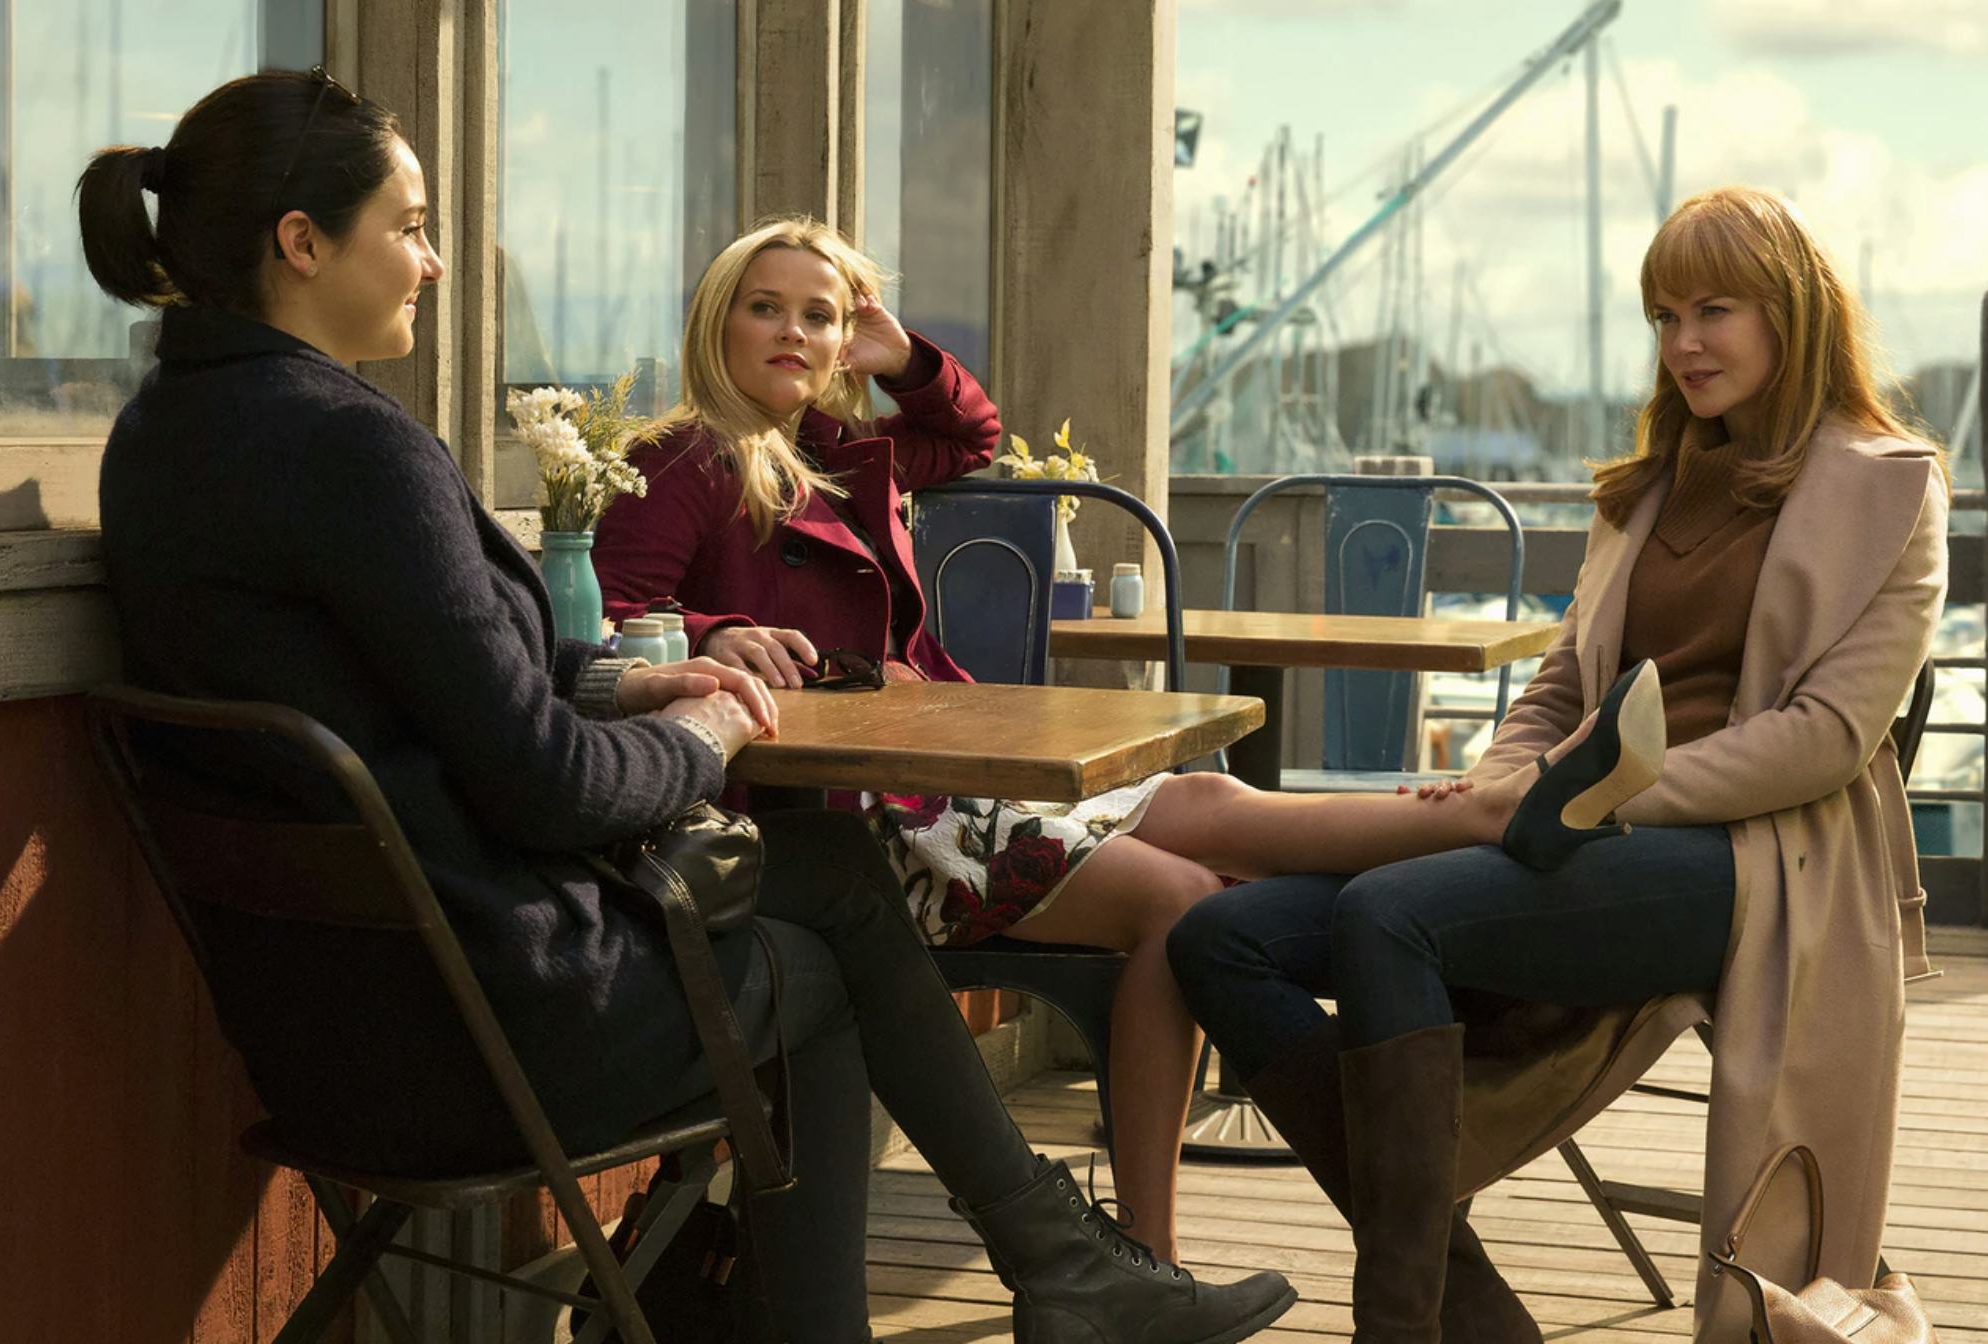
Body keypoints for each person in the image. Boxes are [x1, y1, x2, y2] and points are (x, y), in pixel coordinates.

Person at [77, 70, 1297, 1344]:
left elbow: (414, 671)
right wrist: (700, 733)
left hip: (326, 1026)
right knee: (827, 961)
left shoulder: (164, 436)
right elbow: (548, 786)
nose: (432, 262)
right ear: (302, 242)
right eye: (412, 226)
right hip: (492, 1029)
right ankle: (1012, 1279)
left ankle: (1055, 1263)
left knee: (833, 870)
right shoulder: (351, 447)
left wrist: (626, 678)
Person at [592, 215, 1665, 1263]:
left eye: (821, 315)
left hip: (930, 781)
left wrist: (905, 356)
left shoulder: (831, 449)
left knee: (1209, 805)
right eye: (765, 307)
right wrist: (712, 630)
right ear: (716, 322)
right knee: (1184, 900)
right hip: (844, 827)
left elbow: (967, 436)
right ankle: (1146, 1254)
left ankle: (1487, 812)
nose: (794, 330)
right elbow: (604, 627)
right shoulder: (678, 458)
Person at [1165, 185, 1948, 1343]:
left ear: (1788, 312)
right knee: (1218, 936)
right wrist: (1508, 779)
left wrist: (1590, 801)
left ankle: (1401, 1325)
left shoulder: (1886, 484)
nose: (1681, 343)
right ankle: (1467, 1308)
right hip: (1571, 831)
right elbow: (1558, 689)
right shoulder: (1645, 489)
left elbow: (1824, 737)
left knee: (1388, 912)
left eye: (1712, 311)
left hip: (1755, 863)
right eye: (1663, 315)